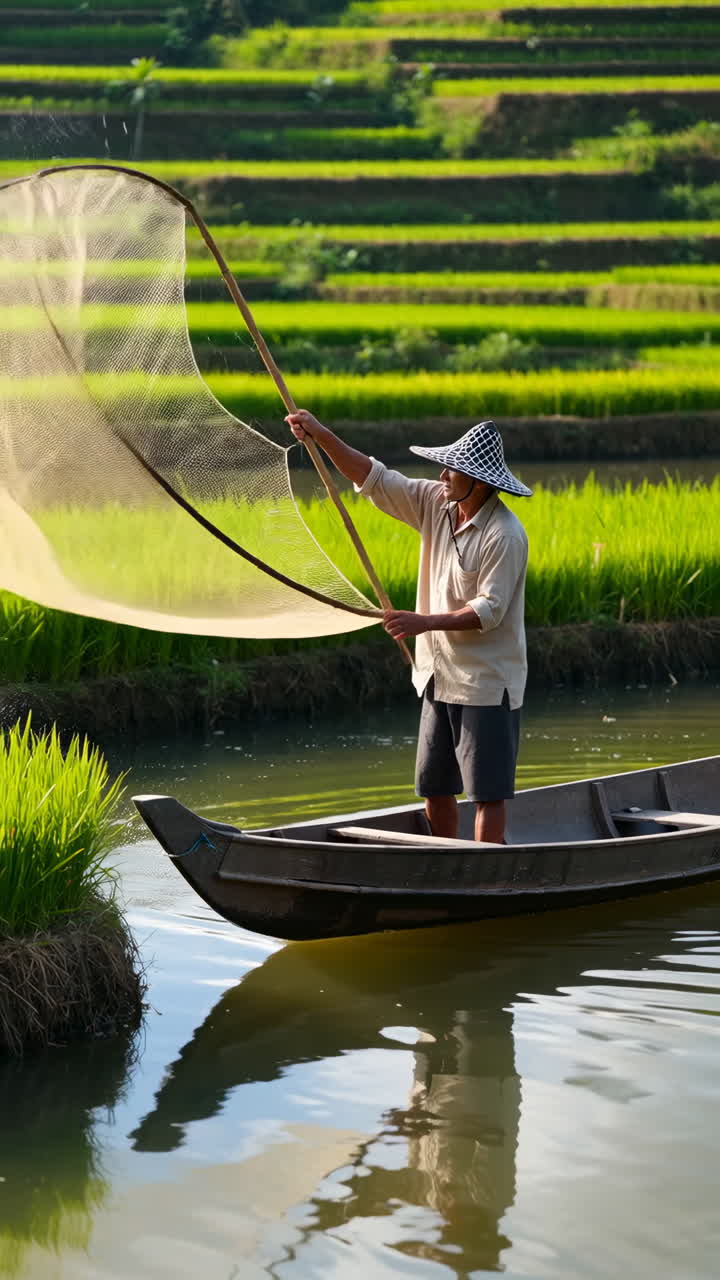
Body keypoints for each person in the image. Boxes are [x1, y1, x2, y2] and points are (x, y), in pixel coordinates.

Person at [286, 410, 532, 845]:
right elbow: (373, 477)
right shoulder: (436, 503)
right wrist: (320, 435)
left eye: (454, 470)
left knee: (486, 794)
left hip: (485, 683)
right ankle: (444, 865)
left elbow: (487, 611)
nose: (443, 475)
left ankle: (482, 875)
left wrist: (423, 622)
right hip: (438, 676)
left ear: (481, 482)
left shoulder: (504, 534)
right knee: (434, 786)